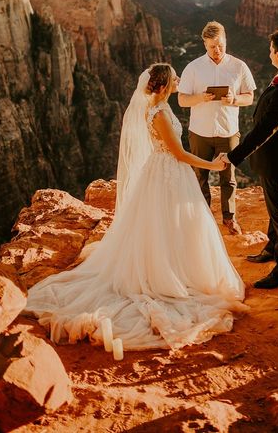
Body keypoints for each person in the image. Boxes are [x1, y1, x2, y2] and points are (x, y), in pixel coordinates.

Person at [24, 64, 246, 351]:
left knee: (169, 224)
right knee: (174, 223)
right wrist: (213, 165)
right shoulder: (161, 113)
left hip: (163, 172)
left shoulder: (156, 107)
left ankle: (177, 268)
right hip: (169, 173)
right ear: (164, 85)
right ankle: (169, 275)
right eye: (175, 77)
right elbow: (178, 153)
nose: (180, 80)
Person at [221, 30, 278, 289]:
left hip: (277, 158)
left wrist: (234, 156)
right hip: (276, 156)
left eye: (271, 50)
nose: (269, 53)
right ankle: (272, 247)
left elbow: (265, 129)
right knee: (274, 208)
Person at [178, 21, 256, 235]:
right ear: (204, 44)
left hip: (228, 131)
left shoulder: (239, 67)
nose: (217, 50)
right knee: (199, 176)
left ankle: (229, 218)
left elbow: (249, 97)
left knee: (228, 177)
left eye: (220, 44)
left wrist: (234, 99)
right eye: (212, 46)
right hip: (199, 133)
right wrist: (200, 98)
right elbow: (182, 100)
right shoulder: (193, 68)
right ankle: (201, 219)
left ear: (225, 40)